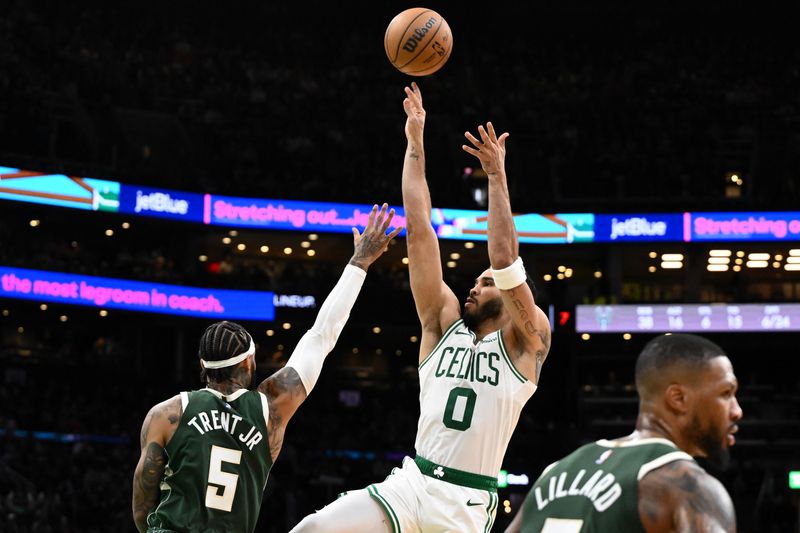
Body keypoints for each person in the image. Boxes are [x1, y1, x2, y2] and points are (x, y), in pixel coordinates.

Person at [291, 83, 551, 532]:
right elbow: (418, 229)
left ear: (511, 300)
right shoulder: (441, 322)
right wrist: (415, 140)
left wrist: (496, 176)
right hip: (412, 485)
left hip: (466, 503)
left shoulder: (528, 343)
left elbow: (505, 259)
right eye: (474, 281)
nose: (473, 287)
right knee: (313, 529)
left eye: (484, 284)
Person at [131, 204, 402, 533]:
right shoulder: (271, 406)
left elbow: (142, 506)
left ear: (202, 365)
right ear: (248, 361)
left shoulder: (165, 414)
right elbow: (321, 336)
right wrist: (359, 263)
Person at [505, 333, 743, 533]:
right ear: (678, 399)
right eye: (726, 393)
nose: (737, 411)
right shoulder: (689, 487)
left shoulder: (555, 471)